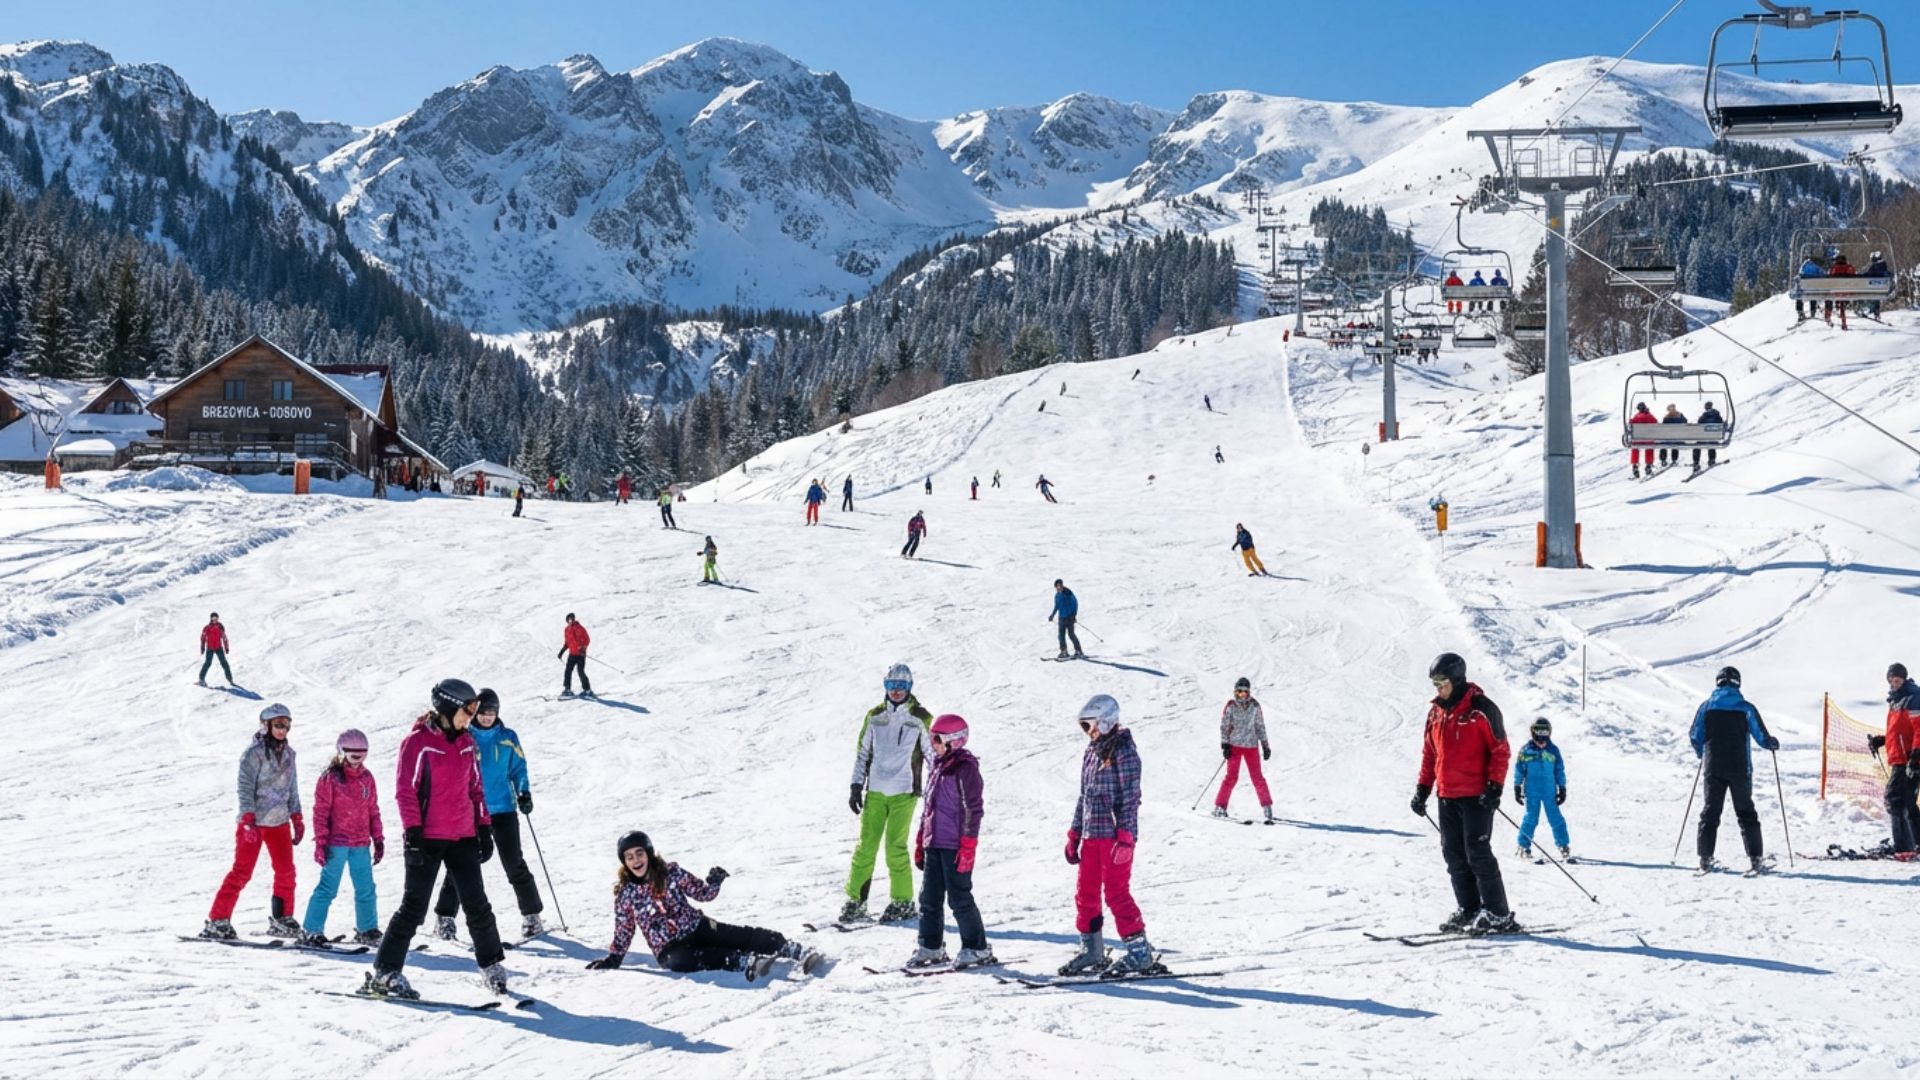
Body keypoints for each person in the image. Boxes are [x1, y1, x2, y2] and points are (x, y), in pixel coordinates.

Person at [363, 679, 508, 1000]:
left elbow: (475, 788)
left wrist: (483, 826)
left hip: (463, 836)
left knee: (477, 904)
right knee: (414, 907)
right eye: (467, 709)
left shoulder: (467, 742)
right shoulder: (418, 743)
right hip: (426, 838)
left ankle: (492, 965)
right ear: (447, 706)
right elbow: (406, 791)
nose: (471, 716)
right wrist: (412, 833)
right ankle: (385, 971)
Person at [585, 831, 821, 979]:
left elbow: (702, 894)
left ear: (648, 853)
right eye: (629, 857)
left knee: (737, 935)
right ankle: (743, 961)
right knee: (680, 962)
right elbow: (625, 928)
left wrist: (714, 882)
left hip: (697, 926)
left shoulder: (671, 872)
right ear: (624, 862)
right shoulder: (625, 893)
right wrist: (615, 957)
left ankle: (791, 949)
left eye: (639, 853)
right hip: (668, 948)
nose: (636, 860)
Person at [1409, 652, 1516, 935]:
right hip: (1447, 795)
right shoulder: (1435, 712)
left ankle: (1497, 913)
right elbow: (1430, 754)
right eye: (1434, 682)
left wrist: (1495, 787)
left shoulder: (1481, 709)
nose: (1438, 687)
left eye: (1441, 681)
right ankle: (1469, 908)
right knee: (1453, 854)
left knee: (1477, 852)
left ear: (1456, 679)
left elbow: (1500, 750)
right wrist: (1423, 789)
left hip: (1477, 796)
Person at [1060, 694, 1162, 976]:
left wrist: (1126, 837)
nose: (1087, 731)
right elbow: (1085, 796)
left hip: (1115, 837)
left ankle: (1140, 953)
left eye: (1089, 725)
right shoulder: (1092, 752)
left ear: (1105, 722)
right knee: (1086, 894)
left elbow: (1131, 798)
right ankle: (1091, 950)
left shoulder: (1124, 750)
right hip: (1093, 834)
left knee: (1117, 894)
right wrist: (1074, 833)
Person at [433, 689, 545, 942]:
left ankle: (532, 915)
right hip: (470, 811)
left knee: (514, 862)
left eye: (491, 713)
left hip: (503, 808)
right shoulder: (465, 736)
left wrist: (523, 792)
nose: (486, 717)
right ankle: (445, 917)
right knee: (462, 865)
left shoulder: (507, 737)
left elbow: (518, 767)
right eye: (482, 713)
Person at [842, 663, 935, 923]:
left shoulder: (921, 718)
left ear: (909, 688)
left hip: (904, 793)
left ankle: (902, 901)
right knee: (865, 848)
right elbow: (862, 754)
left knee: (895, 847)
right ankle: (856, 901)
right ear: (885, 686)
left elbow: (932, 757)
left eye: (902, 686)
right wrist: (856, 786)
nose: (896, 691)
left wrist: (934, 793)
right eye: (892, 686)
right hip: (876, 792)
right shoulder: (875, 716)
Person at [203, 703, 304, 940]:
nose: (283, 731)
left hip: (278, 821)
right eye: (278, 725)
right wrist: (247, 817)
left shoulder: (290, 755)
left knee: (286, 871)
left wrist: (296, 816)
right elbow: (245, 786)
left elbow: (293, 788)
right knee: (242, 871)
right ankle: (218, 920)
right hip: (255, 822)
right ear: (266, 726)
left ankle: (282, 918)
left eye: (287, 726)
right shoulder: (253, 753)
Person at [909, 714, 993, 969]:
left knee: (959, 898)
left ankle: (977, 948)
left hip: (955, 845)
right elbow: (929, 806)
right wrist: (921, 839)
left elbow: (973, 809)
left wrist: (968, 845)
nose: (932, 743)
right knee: (929, 898)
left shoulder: (965, 768)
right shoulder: (937, 765)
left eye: (937, 738)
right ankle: (930, 947)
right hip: (934, 843)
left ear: (954, 741)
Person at [1688, 665, 1778, 874]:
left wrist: (1702, 752)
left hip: (1713, 767)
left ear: (1718, 682)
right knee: (1746, 812)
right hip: (1740, 768)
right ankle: (1756, 860)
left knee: (1710, 812)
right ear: (1738, 683)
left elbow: (1695, 735)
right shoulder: (1746, 708)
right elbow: (1762, 736)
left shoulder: (1706, 707)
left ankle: (1705, 859)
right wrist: (1772, 743)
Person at [301, 728, 383, 947]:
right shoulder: (330, 778)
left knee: (366, 888)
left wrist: (378, 838)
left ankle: (367, 928)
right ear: (341, 752)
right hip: (337, 843)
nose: (357, 761)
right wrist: (321, 843)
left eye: (362, 755)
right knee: (328, 887)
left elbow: (373, 809)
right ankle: (311, 930)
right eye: (352, 756)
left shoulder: (367, 778)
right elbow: (321, 812)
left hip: (360, 843)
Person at [1869, 663, 1920, 857]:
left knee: (1894, 799)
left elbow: (1919, 729)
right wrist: (1881, 740)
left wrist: (1916, 756)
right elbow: (1899, 730)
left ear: (1904, 678)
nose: (1895, 682)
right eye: (1892, 679)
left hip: (1909, 758)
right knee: (1907, 802)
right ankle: (1916, 844)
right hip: (1901, 756)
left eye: (1898, 679)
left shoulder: (1913, 697)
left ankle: (1904, 848)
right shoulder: (1896, 699)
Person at [1214, 678, 1274, 823]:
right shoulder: (1231, 706)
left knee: (1257, 778)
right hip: (1235, 746)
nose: (1242, 695)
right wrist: (1225, 744)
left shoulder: (1255, 706)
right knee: (1231, 777)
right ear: (1235, 691)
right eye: (1239, 692)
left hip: (1251, 747)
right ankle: (1220, 806)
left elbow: (1260, 726)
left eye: (1245, 692)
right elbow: (1224, 725)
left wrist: (1265, 745)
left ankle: (1267, 807)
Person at [1511, 719, 1570, 861]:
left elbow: (1559, 770)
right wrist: (1517, 786)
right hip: (1532, 790)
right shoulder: (1526, 751)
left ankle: (1563, 845)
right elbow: (1519, 769)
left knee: (1556, 818)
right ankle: (1523, 846)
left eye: (1545, 734)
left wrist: (1562, 788)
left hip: (1549, 790)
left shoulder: (1553, 750)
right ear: (1533, 733)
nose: (1542, 739)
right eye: (1539, 733)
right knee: (1531, 818)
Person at [558, 613, 594, 699]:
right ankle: (567, 689)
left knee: (580, 671)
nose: (571, 620)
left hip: (580, 655)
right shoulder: (566, 630)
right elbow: (567, 643)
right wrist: (562, 651)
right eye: (569, 619)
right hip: (572, 654)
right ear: (567, 620)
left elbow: (587, 640)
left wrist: (583, 648)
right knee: (567, 671)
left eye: (572, 619)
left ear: (574, 619)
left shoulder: (579, 628)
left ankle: (588, 690)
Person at [1049, 579, 1084, 659]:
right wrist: (1052, 615)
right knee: (1061, 636)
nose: (1058, 588)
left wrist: (1074, 615)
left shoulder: (1068, 593)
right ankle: (1064, 651)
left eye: (1060, 586)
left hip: (1069, 618)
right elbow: (1056, 606)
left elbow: (1075, 603)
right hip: (1061, 618)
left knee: (1071, 634)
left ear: (1062, 585)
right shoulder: (1057, 595)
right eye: (1057, 586)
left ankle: (1078, 650)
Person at [199, 612, 233, 687]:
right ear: (211, 619)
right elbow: (203, 638)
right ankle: (201, 679)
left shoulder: (220, 627)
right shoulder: (207, 628)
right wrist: (202, 647)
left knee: (224, 663)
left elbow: (224, 637)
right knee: (207, 663)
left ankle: (229, 678)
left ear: (217, 618)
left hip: (218, 648)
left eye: (216, 618)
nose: (214, 620)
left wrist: (226, 647)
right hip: (210, 648)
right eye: (213, 618)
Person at [1691, 401, 1724, 472]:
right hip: (1714, 438)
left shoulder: (1703, 416)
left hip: (1705, 437)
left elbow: (1699, 426)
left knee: (1697, 446)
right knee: (1711, 442)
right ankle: (1712, 459)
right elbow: (1721, 424)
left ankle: (1696, 463)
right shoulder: (1717, 415)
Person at [1628, 402, 1658, 478]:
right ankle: (1648, 464)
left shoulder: (1637, 416)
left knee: (1635, 447)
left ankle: (1635, 465)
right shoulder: (1650, 416)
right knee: (1649, 447)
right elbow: (1655, 422)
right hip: (1648, 440)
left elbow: (1631, 423)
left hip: (1638, 440)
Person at [1658, 404, 1689, 469]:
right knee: (1675, 442)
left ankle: (1663, 460)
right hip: (1678, 439)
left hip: (1668, 439)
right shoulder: (1680, 416)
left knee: (1663, 444)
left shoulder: (1666, 418)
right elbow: (1686, 422)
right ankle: (1674, 460)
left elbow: (1663, 428)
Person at [1796, 252, 1825, 321]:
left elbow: (1800, 275)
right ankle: (1812, 310)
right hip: (1814, 289)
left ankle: (1800, 312)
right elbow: (1822, 274)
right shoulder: (1816, 267)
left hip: (1805, 289)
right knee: (1813, 293)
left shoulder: (1803, 266)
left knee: (1799, 296)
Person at [1864, 251, 1890, 317]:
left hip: (1874, 284)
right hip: (1881, 285)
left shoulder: (1875, 266)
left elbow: (1869, 274)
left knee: (1872, 297)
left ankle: (1873, 310)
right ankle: (1876, 311)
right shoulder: (1883, 265)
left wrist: (1862, 276)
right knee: (1876, 298)